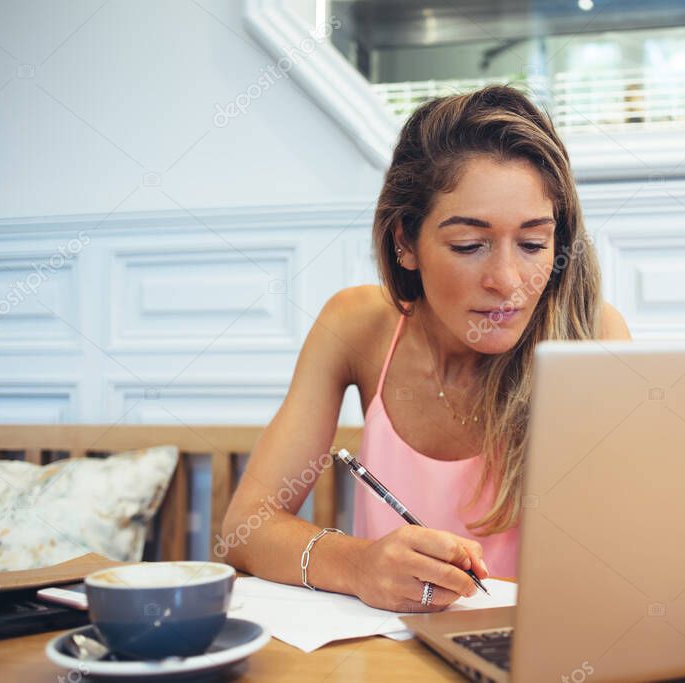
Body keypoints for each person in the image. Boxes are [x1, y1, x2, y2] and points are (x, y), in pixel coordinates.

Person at [222, 85, 631, 613]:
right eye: (468, 245)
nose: (507, 281)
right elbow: (244, 527)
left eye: (533, 244)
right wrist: (358, 564)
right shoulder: (358, 326)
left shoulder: (589, 337)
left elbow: (621, 562)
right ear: (405, 243)